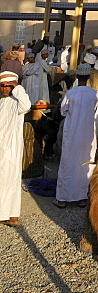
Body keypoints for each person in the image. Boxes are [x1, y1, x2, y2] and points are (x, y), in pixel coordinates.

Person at [55, 64, 98, 207]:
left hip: (72, 135)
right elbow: (95, 112)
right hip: (87, 136)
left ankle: (62, 199)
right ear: (87, 78)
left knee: (68, 164)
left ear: (78, 76)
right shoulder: (94, 94)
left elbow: (63, 111)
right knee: (85, 165)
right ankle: (82, 198)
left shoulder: (70, 94)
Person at [0, 71, 31, 225]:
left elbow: (27, 105)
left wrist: (17, 87)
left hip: (11, 148)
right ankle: (8, 214)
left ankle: (11, 215)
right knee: (5, 179)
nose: (4, 88)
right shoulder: (2, 102)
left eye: (8, 85)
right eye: (2, 85)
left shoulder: (18, 102)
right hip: (1, 147)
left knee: (10, 179)